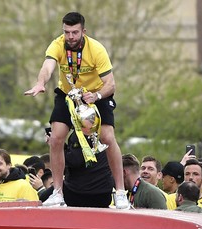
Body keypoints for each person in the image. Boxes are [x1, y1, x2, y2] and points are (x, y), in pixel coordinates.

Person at [24, 11, 126, 208]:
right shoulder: (58, 44)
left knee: (107, 137)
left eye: (74, 32)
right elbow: (47, 66)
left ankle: (120, 192)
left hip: (96, 94)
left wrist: (96, 96)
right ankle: (57, 192)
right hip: (68, 94)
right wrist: (40, 82)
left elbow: (111, 84)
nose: (70, 37)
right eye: (67, 32)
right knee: (56, 138)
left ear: (83, 32)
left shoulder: (96, 49)